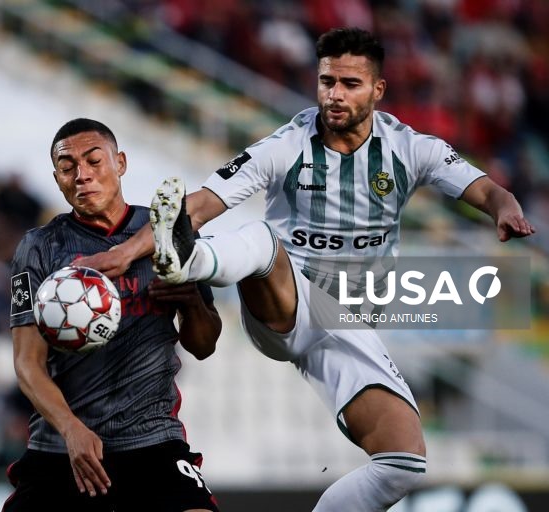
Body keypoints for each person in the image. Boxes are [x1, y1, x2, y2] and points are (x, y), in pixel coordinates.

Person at [75, 28, 535, 511]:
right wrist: (128, 253)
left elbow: (484, 188)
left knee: (404, 459)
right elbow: (202, 203)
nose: (334, 94)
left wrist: (505, 210)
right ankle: (191, 259)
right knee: (263, 240)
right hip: (281, 298)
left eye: (349, 84)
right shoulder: (287, 144)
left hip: (344, 324)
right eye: (326, 81)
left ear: (377, 90)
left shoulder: (410, 148)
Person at [3, 118, 221, 512]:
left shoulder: (168, 233)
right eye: (68, 168)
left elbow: (204, 345)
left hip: (152, 440)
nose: (82, 175)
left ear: (120, 162)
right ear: (57, 179)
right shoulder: (38, 248)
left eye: (94, 161)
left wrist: (191, 301)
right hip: (63, 447)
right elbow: (27, 363)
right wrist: (71, 429)